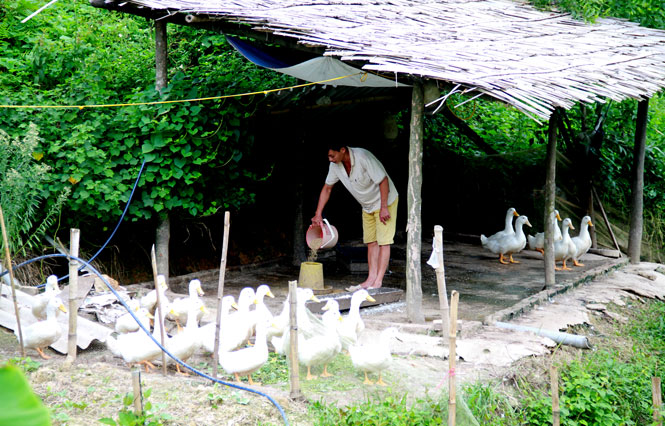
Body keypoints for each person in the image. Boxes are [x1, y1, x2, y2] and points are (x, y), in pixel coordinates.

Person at [311, 144, 398, 291]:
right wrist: (318, 213)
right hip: (367, 206)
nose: (330, 159)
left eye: (332, 155)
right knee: (371, 242)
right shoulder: (335, 165)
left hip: (385, 201)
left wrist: (384, 207)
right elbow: (327, 188)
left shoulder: (363, 157)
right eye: (328, 156)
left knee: (384, 242)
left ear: (343, 150)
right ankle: (370, 279)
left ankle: (378, 281)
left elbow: (383, 181)